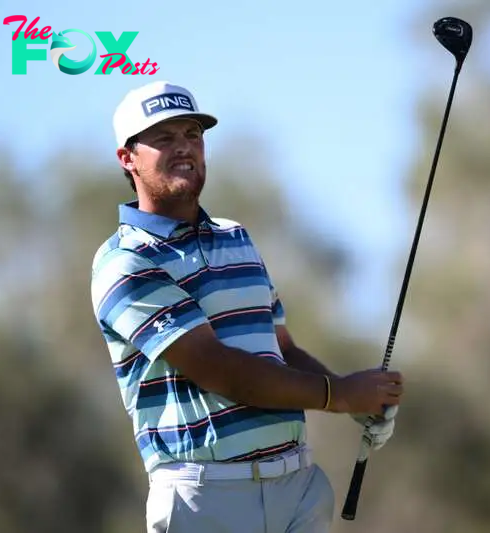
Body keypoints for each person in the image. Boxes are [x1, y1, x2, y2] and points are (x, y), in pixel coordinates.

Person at [89, 80, 404, 533]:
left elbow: (281, 350)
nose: (184, 148)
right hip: (207, 499)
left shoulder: (236, 237)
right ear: (127, 158)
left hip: (297, 486)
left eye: (192, 135)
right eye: (164, 138)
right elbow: (222, 371)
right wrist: (339, 395)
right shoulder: (124, 262)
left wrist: (357, 398)